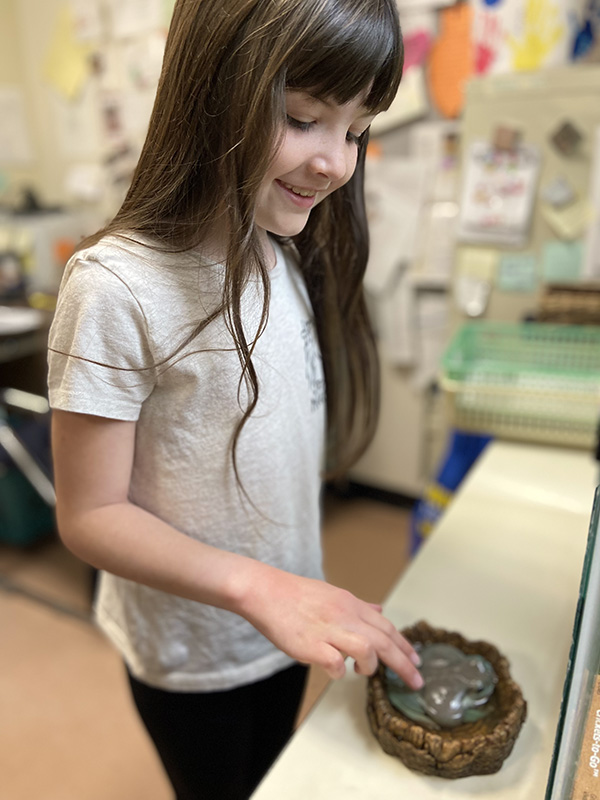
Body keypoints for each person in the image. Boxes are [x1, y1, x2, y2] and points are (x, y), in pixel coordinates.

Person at [48, 0, 423, 797]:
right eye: (302, 118)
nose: (336, 163)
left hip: (286, 628)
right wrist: (261, 587)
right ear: (208, 92)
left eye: (356, 131)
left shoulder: (277, 248)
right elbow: (89, 516)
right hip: (194, 654)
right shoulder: (116, 287)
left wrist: (289, 593)